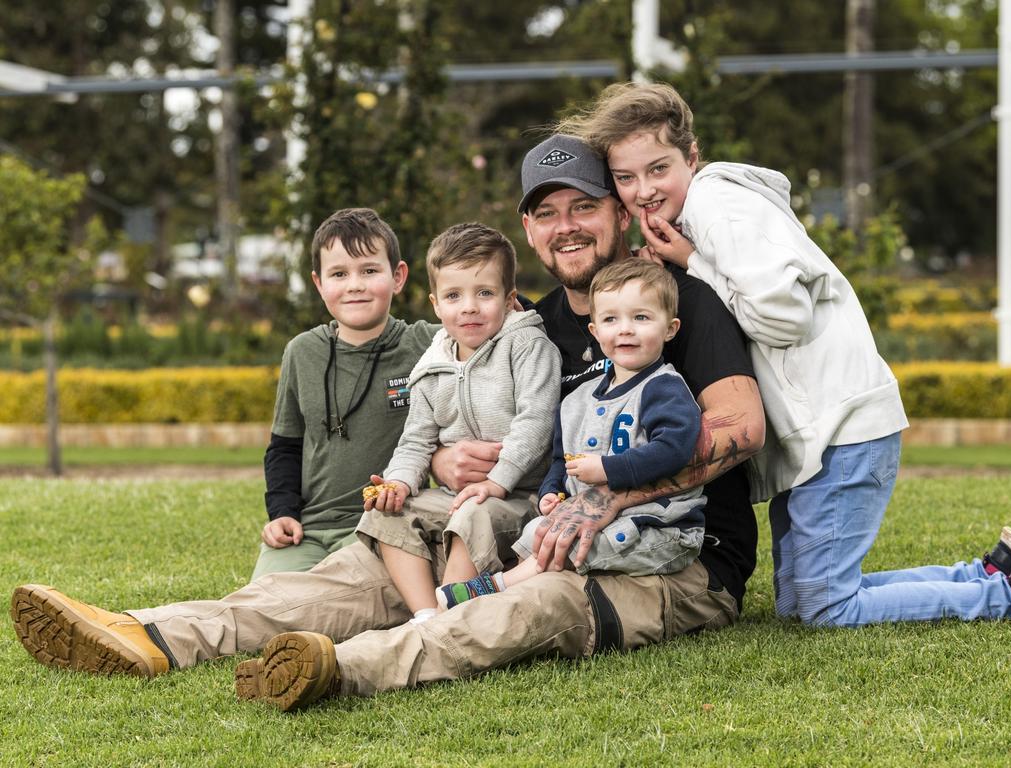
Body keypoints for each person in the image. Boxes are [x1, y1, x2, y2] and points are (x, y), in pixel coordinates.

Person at [8, 134, 767, 712]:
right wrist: (438, 463)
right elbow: (451, 412)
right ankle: (150, 634)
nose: (566, 226)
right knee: (343, 577)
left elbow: (740, 427)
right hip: (508, 526)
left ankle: (339, 668)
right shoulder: (520, 323)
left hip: (671, 562)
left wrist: (613, 496)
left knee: (535, 606)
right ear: (528, 230)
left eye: (584, 206)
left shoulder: (671, 304)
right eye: (547, 213)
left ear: (617, 211)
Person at [558, 81, 1011, 626]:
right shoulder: (705, 215)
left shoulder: (718, 204)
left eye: (658, 169)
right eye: (626, 177)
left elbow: (785, 316)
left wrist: (694, 263)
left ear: (692, 156)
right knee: (798, 601)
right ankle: (994, 575)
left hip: (843, 426)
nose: (643, 190)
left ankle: (1008, 597)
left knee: (827, 606)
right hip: (828, 430)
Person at [437, 258, 706, 609]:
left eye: (641, 318)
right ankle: (506, 592)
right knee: (539, 530)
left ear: (670, 328)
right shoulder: (577, 399)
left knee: (573, 543)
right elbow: (559, 461)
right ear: (595, 331)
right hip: (591, 519)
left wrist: (610, 469)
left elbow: (675, 449)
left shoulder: (664, 388)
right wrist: (553, 492)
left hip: (658, 528)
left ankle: (499, 588)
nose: (625, 330)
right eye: (611, 319)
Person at [357, 222, 560, 623]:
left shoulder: (528, 346)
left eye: (484, 293)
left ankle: (454, 613)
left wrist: (497, 481)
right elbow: (415, 441)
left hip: (520, 496)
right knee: (385, 513)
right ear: (435, 304)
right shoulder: (432, 367)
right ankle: (427, 616)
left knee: (474, 515)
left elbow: (536, 422)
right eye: (453, 295)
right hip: (458, 494)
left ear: (509, 298)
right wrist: (399, 481)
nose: (468, 306)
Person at [249, 208, 437, 580]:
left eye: (369, 270)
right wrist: (283, 513)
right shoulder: (301, 351)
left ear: (397, 277)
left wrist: (518, 307)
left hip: (381, 526)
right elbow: (284, 448)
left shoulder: (427, 343)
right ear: (319, 284)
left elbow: (482, 316)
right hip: (307, 530)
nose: (355, 285)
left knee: (338, 599)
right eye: (339, 274)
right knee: (265, 597)